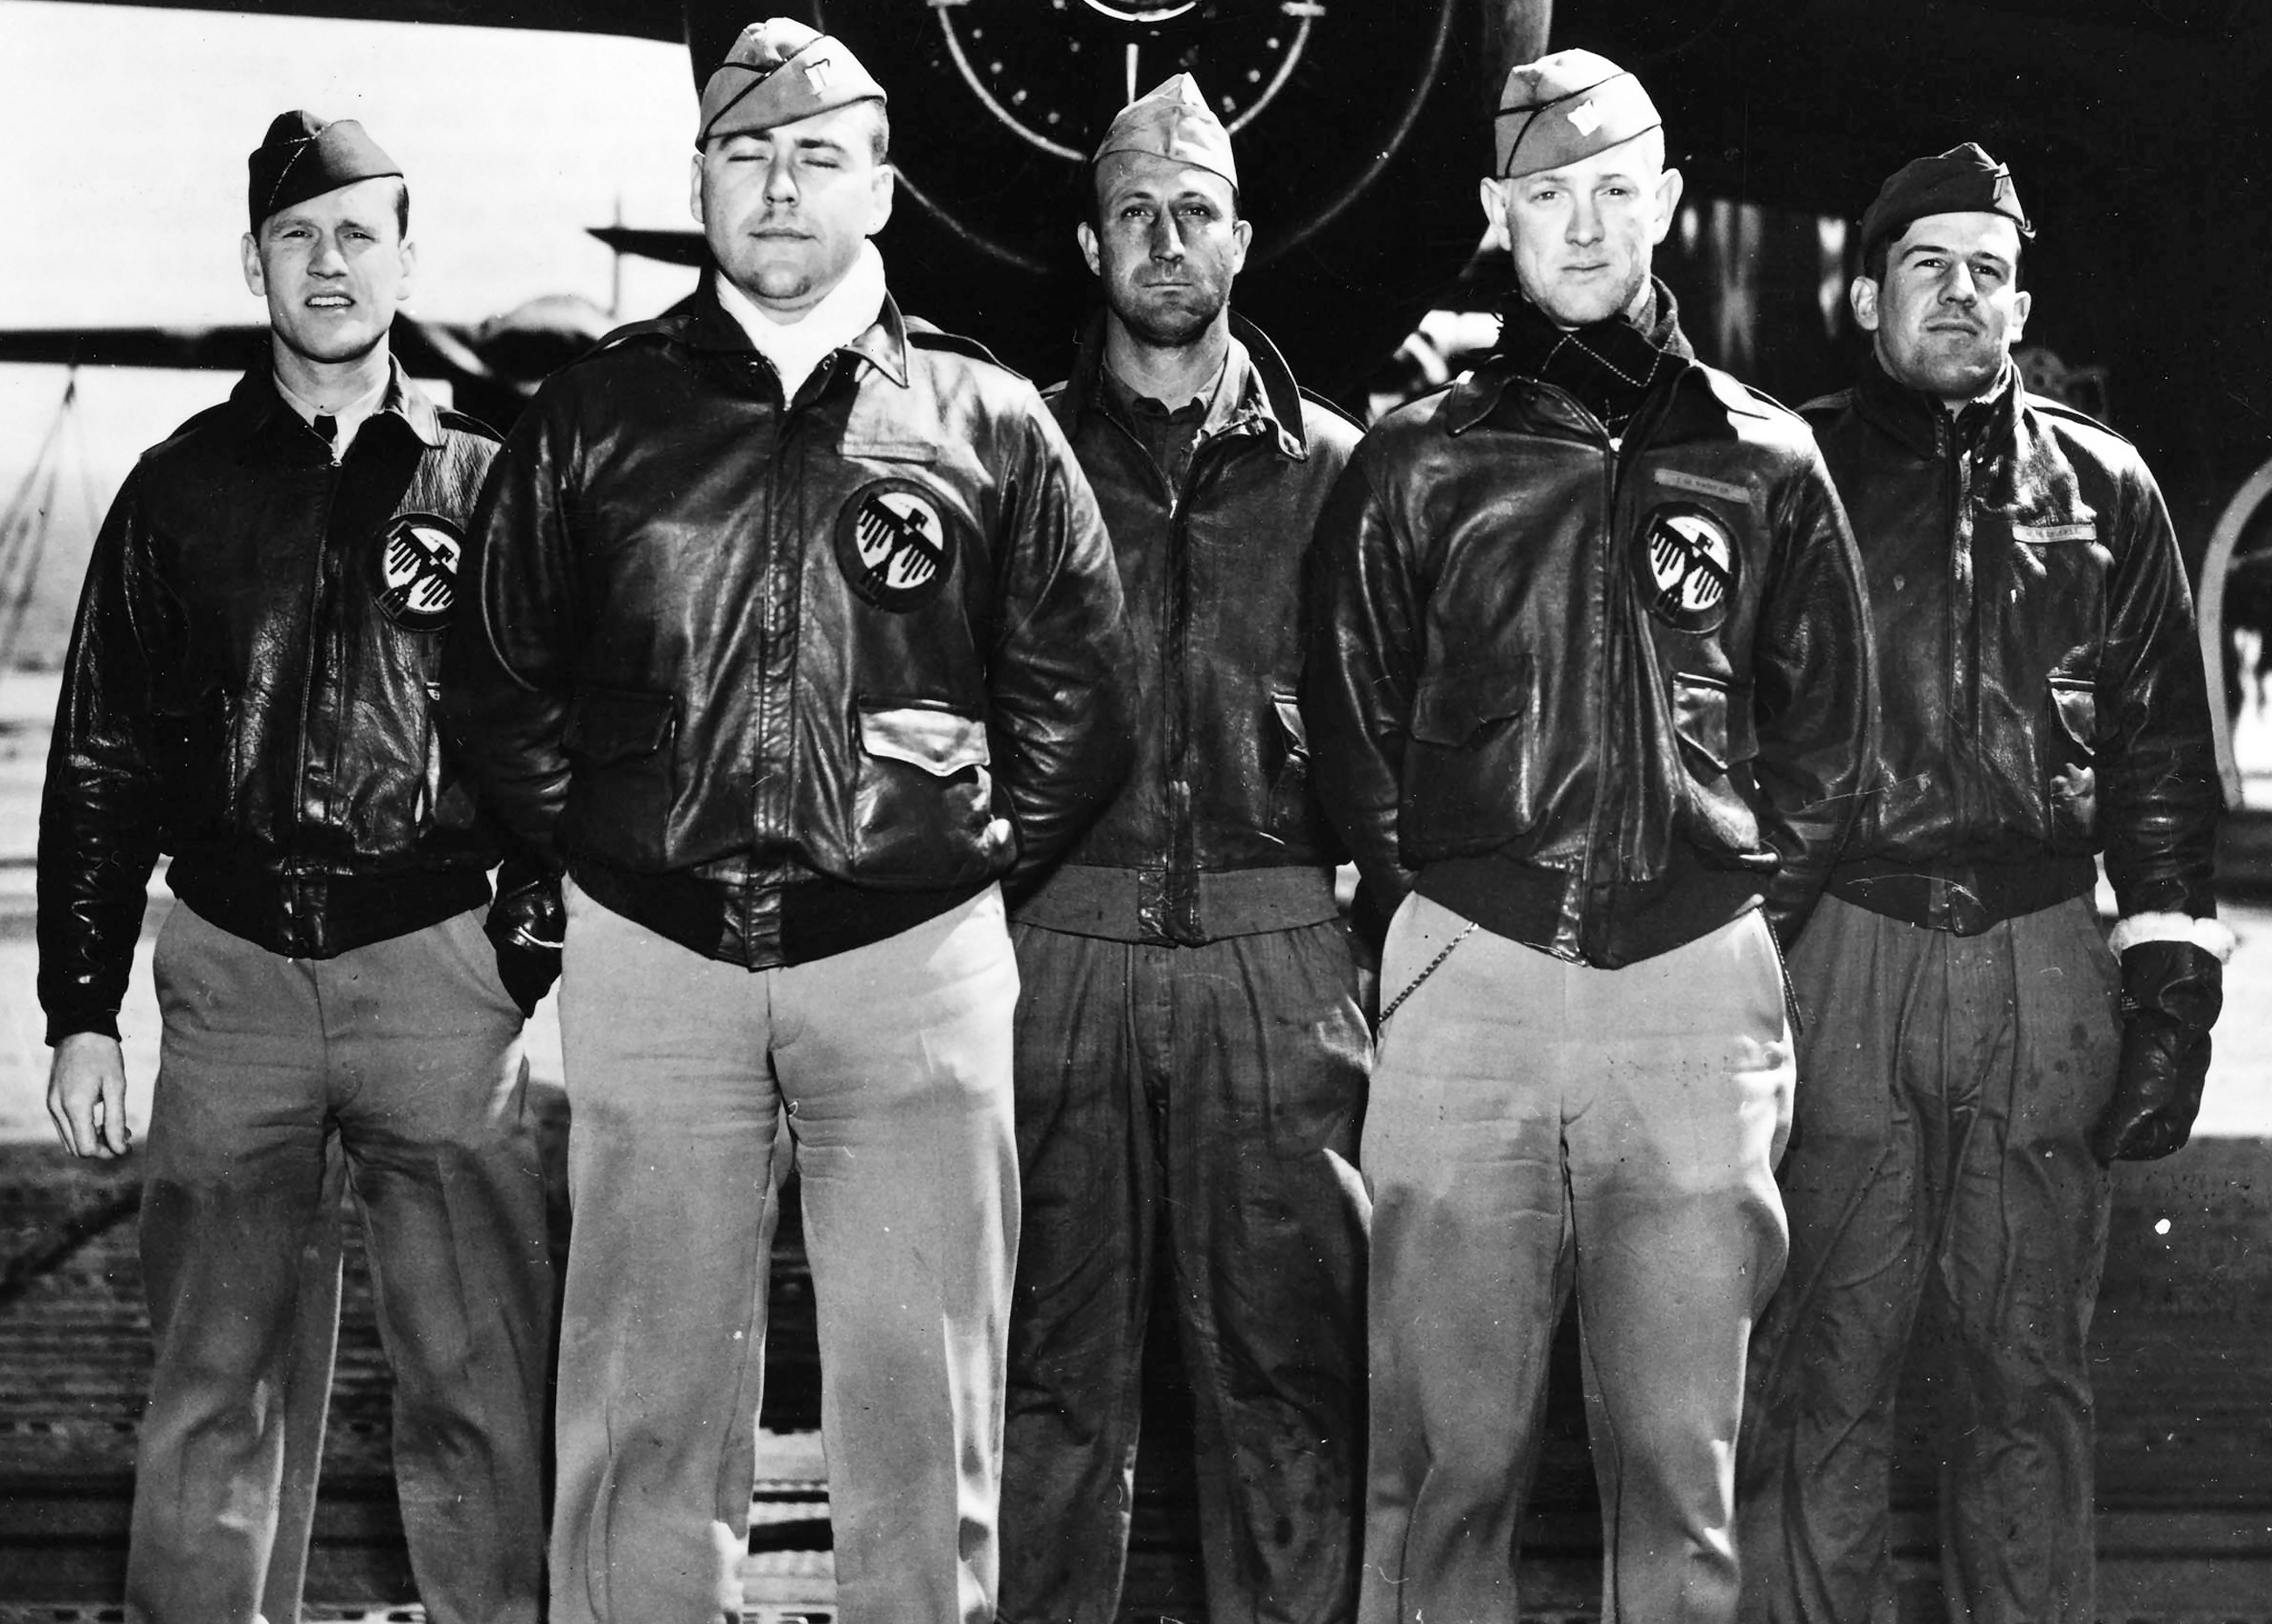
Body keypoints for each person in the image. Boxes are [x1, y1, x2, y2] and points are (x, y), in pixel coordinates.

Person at [439, 20, 1132, 1624]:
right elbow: (497, 684)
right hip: (658, 966)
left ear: (881, 187)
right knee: (645, 1409)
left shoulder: (986, 418)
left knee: (924, 1403)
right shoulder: (596, 417)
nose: (778, 184)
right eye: (745, 154)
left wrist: (945, 850)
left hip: (909, 960)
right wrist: (624, 849)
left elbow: (1080, 706)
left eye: (818, 156)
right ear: (699, 178)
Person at [1303, 49, 1876, 1624]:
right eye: (1547, 192)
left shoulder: (1764, 458)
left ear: (1670, 205)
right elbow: (1349, 719)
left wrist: (1739, 910)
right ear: (1497, 212)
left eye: (1616, 186)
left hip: (1693, 989)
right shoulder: (1416, 457)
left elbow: (1826, 736)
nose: (1583, 221)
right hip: (1470, 978)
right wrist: (1440, 914)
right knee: (1445, 1461)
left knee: (1681, 1469)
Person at [38, 112, 559, 1624]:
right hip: (232, 978)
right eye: (296, 236)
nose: (328, 265)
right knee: (214, 1389)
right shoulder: (174, 488)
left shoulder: (489, 479)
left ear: (409, 253)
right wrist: (83, 1003)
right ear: (252, 258)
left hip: (435, 982)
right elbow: (101, 757)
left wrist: (506, 955)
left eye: (357, 234)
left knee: (477, 1388)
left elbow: (552, 742)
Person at [1737, 144, 2227, 1624]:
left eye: (1990, 272)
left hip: (2038, 960)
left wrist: (2171, 983)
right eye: (1930, 266)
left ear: (2024, 304)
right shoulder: (1786, 473)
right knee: (1825, 1361)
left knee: (2028, 1371)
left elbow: (2156, 759)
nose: (1962, 295)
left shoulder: (2107, 488)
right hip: (1845, 947)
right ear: (1866, 293)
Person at [996, 75, 1370, 1624]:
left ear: (1243, 238)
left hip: (1277, 951)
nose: (1166, 240)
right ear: (1091, 245)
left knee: (1288, 1382)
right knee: (1047, 1382)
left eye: (1194, 212)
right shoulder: (1015, 453)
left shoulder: (1342, 471)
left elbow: (1392, 728)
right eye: (1135, 214)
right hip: (1058, 945)